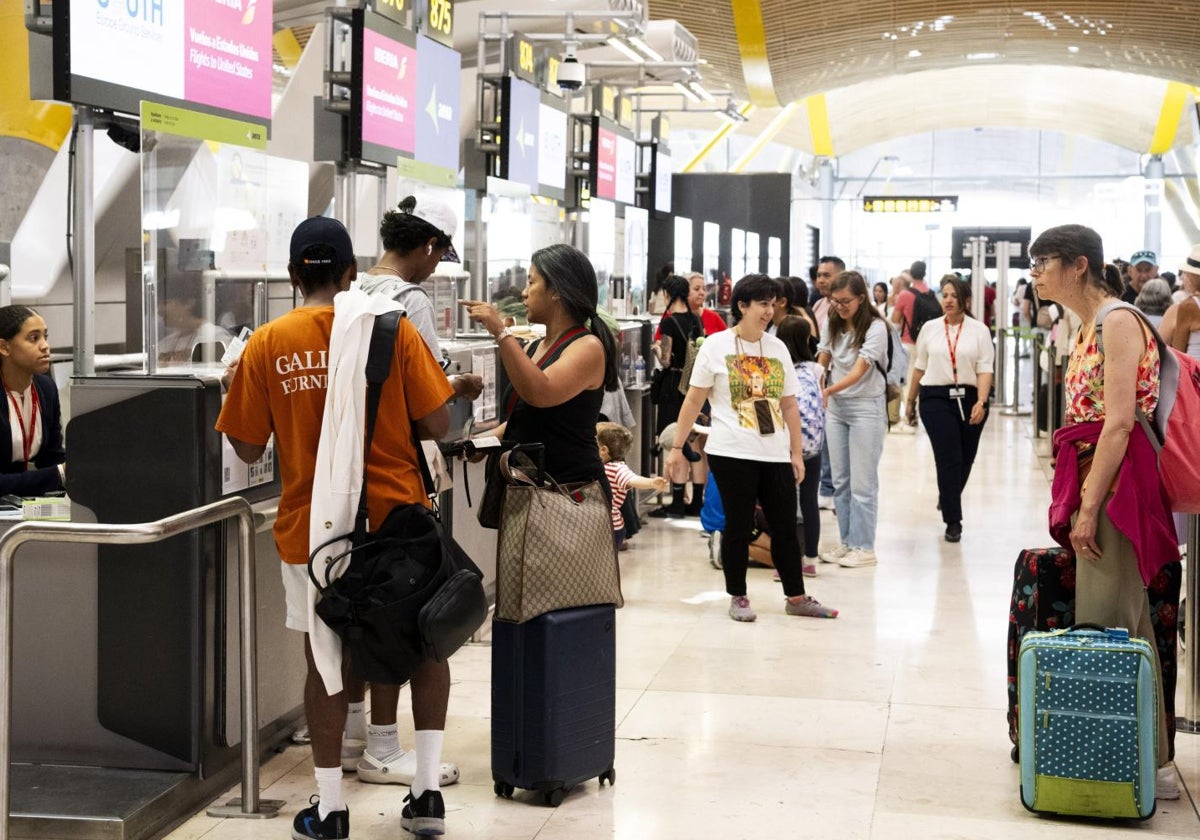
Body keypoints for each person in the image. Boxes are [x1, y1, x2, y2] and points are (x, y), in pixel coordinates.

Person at [216, 217, 456, 838]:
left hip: (314, 533)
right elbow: (441, 423)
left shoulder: (268, 343)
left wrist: (235, 386)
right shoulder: (388, 328)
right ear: (352, 272)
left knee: (326, 661)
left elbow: (244, 447)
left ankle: (329, 807)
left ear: (295, 277)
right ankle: (426, 793)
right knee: (427, 644)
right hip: (398, 520)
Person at [1032, 223, 1180, 799]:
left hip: (1116, 480)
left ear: (1076, 265)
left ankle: (1143, 761)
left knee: (1111, 612)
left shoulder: (1118, 321)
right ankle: (1148, 754)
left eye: (1042, 262)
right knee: (1121, 609)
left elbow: (1120, 420)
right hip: (1096, 469)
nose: (1036, 274)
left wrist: (1090, 505)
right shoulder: (1086, 323)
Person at [347, 195, 475, 790]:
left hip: (343, 479)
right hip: (399, 476)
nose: (436, 268)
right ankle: (382, 745)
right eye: (439, 255)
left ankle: (351, 732)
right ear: (427, 248)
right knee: (405, 612)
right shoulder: (411, 302)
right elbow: (428, 404)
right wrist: (460, 385)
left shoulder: (347, 294)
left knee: (351, 607)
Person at [667, 274, 837, 622]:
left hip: (774, 452)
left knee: (786, 526)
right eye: (762, 303)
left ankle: (796, 595)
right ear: (742, 305)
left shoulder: (777, 349)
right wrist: (677, 447)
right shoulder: (715, 347)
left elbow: (789, 404)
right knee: (739, 524)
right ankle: (738, 595)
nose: (768, 310)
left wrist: (794, 452)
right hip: (731, 451)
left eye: (772, 304)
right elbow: (694, 400)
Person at [461, 243, 618, 491]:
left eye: (531, 283)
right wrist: (484, 441)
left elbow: (539, 393)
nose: (524, 293)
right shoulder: (534, 347)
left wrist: (500, 331)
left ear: (555, 291)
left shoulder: (587, 347)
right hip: (529, 488)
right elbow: (525, 416)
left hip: (568, 492)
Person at [904, 275, 995, 543]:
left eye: (954, 295)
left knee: (966, 457)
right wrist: (910, 401)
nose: (948, 300)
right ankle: (953, 521)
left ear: (965, 300)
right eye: (944, 295)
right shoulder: (930, 328)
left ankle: (948, 496)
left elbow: (985, 368)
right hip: (935, 398)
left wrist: (981, 401)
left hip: (970, 397)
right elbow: (919, 366)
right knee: (949, 457)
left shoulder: (979, 330)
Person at [817, 270, 889, 568]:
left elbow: (860, 369)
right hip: (837, 409)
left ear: (861, 298)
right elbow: (823, 355)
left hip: (866, 408)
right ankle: (847, 543)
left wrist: (829, 388)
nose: (840, 306)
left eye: (846, 301)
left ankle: (864, 546)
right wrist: (817, 379)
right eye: (835, 301)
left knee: (863, 483)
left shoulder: (876, 327)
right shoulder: (830, 321)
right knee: (840, 482)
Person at [775, 315, 823, 577]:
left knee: (786, 506)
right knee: (809, 501)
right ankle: (811, 559)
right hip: (814, 446)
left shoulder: (779, 370)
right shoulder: (815, 370)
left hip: (787, 447)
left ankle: (788, 562)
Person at [0, 305, 65, 496]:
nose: (45, 346)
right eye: (34, 338)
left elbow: (52, 457)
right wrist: (59, 475)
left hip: (23, 505)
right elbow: (56, 471)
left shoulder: (46, 388)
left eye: (45, 336)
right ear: (4, 347)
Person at [596, 422, 668, 550]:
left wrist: (651, 483)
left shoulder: (616, 468)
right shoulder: (602, 466)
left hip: (608, 526)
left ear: (603, 450)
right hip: (602, 524)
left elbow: (632, 479)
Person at [158, 284, 234, 364]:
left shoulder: (216, 336)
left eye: (165, 303)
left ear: (188, 303)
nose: (159, 310)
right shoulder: (165, 344)